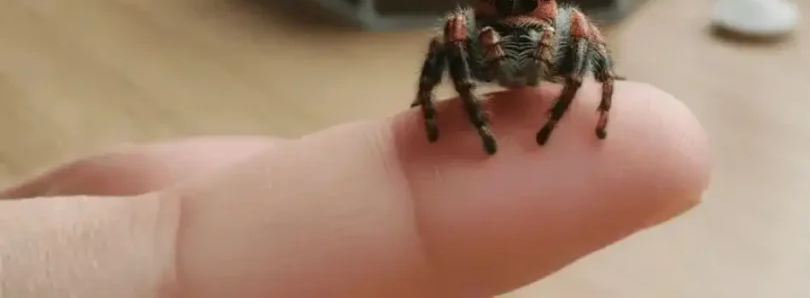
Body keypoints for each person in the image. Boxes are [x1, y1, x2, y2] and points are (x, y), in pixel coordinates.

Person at [0, 81, 710, 297]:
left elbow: (581, 42)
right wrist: (435, 109)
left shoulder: (564, 31)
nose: (519, 11)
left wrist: (586, 100)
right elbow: (451, 47)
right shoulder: (474, 32)